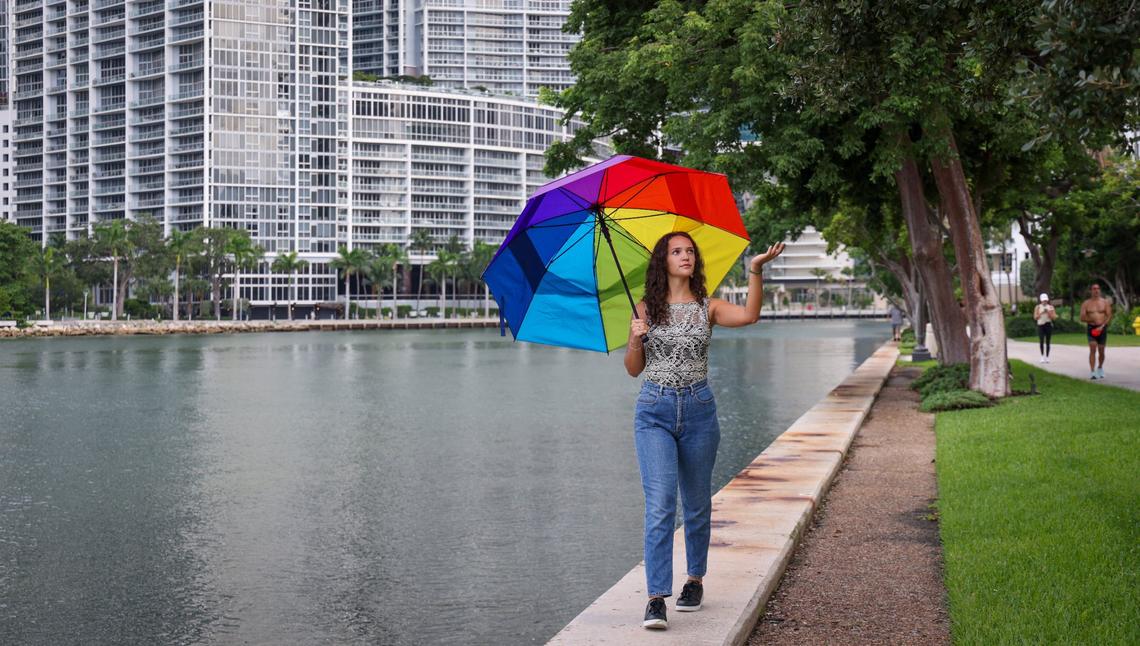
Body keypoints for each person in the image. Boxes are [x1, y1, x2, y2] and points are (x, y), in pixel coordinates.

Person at [625, 232, 785, 630]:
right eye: (677, 251)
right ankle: (655, 598)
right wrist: (635, 338)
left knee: (696, 503)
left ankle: (694, 580)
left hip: (699, 410)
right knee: (661, 503)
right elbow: (633, 369)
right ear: (663, 261)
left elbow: (750, 316)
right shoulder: (645, 309)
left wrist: (755, 269)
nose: (686, 256)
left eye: (690, 251)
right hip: (654, 411)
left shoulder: (707, 306)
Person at [1079, 283, 1112, 379]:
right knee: (1092, 348)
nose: (1096, 290)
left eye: (1098, 288)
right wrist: (1092, 320)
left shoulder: (1105, 302)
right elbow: (1082, 318)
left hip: (1102, 328)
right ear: (1091, 291)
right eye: (1094, 289)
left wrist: (1102, 326)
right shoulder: (1086, 303)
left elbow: (1109, 315)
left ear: (1100, 290)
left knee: (1101, 351)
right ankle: (1092, 372)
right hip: (1091, 328)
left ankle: (1100, 368)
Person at [1034, 293, 1056, 363]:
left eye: (1046, 300)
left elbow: (1053, 317)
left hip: (1048, 324)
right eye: (1043, 300)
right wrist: (1042, 312)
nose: (1045, 302)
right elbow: (1035, 317)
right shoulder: (1038, 307)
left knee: (1048, 341)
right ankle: (1042, 356)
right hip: (1040, 325)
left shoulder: (1051, 307)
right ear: (1041, 300)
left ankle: (1047, 357)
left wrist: (1048, 312)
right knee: (1041, 341)